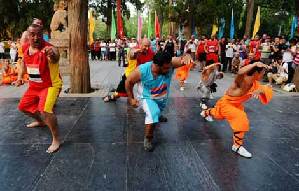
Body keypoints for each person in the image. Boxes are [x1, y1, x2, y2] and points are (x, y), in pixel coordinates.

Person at [201, 62, 272, 158]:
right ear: (256, 73)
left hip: (235, 104)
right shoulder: (242, 80)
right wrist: (255, 64)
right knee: (240, 118)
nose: (264, 75)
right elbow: (240, 72)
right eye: (263, 72)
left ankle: (205, 112)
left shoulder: (255, 84)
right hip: (226, 103)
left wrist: (260, 91)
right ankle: (237, 146)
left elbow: (264, 89)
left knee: (218, 114)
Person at [125, 52, 192, 151]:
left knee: (158, 110)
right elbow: (128, 82)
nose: (169, 69)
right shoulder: (142, 70)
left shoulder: (169, 64)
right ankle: (148, 138)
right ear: (156, 65)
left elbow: (183, 59)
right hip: (146, 97)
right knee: (153, 113)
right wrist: (131, 99)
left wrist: (187, 56)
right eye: (165, 68)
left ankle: (158, 114)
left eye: (169, 67)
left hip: (161, 98)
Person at [15, 24, 62, 153]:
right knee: (23, 107)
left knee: (45, 110)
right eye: (32, 35)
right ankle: (41, 122)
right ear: (28, 36)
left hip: (50, 86)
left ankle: (56, 139)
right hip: (34, 87)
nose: (36, 38)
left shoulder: (48, 48)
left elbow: (55, 55)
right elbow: (24, 63)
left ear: (43, 35)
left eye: (39, 35)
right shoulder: (25, 48)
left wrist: (52, 54)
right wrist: (19, 77)